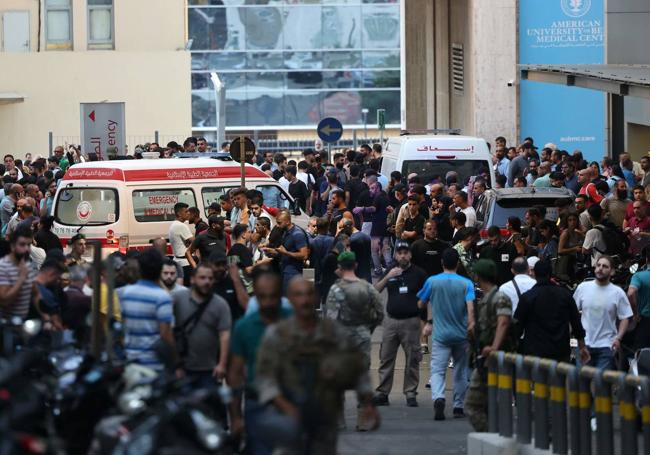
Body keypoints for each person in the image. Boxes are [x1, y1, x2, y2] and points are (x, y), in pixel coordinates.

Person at [256, 278, 380, 452]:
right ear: (290, 299)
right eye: (298, 295)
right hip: (288, 418)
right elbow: (264, 377)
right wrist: (285, 406)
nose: (304, 300)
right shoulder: (277, 335)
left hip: (325, 418)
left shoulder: (333, 332)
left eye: (308, 294)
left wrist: (367, 402)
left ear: (315, 298)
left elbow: (357, 367)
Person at [228, 270, 292, 454]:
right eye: (262, 297)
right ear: (255, 295)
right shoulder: (244, 327)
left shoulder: (294, 320)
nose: (268, 302)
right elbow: (234, 375)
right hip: (257, 404)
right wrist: (236, 417)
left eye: (273, 296)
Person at [418, 248, 474, 420]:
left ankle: (439, 397)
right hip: (461, 333)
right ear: (458, 263)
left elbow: (421, 303)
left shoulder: (432, 281)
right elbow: (470, 308)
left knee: (437, 369)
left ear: (442, 262)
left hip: (441, 335)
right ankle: (458, 406)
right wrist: (471, 325)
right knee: (460, 371)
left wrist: (428, 321)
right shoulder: (466, 284)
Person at [372, 242, 427, 407]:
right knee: (386, 358)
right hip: (391, 321)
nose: (402, 255)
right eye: (399, 253)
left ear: (410, 255)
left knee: (412, 359)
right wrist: (388, 277)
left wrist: (425, 323)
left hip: (411, 322)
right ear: (395, 255)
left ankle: (410, 393)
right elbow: (376, 290)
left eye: (405, 252)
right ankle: (383, 393)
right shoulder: (390, 271)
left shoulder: (419, 273)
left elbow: (426, 300)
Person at [465, 259, 514, 432]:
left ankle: (493, 435)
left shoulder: (499, 297)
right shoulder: (487, 298)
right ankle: (494, 435)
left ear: (478, 276)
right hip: (485, 358)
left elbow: (503, 322)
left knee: (472, 404)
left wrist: (494, 347)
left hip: (495, 358)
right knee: (487, 404)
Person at [515, 260, 589, 363]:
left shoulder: (527, 297)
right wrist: (582, 346)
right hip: (560, 351)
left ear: (534, 274)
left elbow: (517, 326)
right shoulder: (565, 295)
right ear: (550, 274)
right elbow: (576, 323)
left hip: (534, 353)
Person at [173, 263, 231, 385]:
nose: (207, 282)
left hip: (210, 369)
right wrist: (176, 365)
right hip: (184, 368)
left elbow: (225, 335)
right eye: (202, 278)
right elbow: (169, 331)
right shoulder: (178, 299)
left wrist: (222, 364)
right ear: (193, 279)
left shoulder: (220, 304)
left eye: (210, 278)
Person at [119, 248, 175, 371]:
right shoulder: (162, 297)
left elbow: (122, 330)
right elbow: (165, 335)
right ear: (160, 270)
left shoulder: (125, 293)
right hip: (154, 365)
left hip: (130, 363)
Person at [573, 256, 632, 370]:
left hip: (607, 346)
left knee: (601, 384)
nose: (600, 269)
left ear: (612, 271)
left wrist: (618, 338)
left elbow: (625, 317)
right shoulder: (583, 287)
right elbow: (572, 312)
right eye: (598, 265)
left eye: (605, 266)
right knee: (582, 383)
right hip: (584, 344)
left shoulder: (618, 293)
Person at [0, 227, 38, 319]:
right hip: (7, 324)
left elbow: (35, 293)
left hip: (25, 323)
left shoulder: (27, 265)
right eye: (22, 244)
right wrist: (21, 278)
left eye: (29, 245)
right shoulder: (3, 266)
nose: (26, 249)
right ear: (12, 246)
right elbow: (4, 301)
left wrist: (46, 316)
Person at [628, 247, 650, 350]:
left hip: (645, 320)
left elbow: (631, 294)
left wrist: (635, 314)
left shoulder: (639, 276)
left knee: (640, 353)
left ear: (646, 259)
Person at [169, 202, 194, 286]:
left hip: (178, 261)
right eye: (186, 211)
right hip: (185, 263)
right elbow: (195, 242)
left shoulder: (174, 225)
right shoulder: (181, 226)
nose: (189, 213)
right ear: (179, 214)